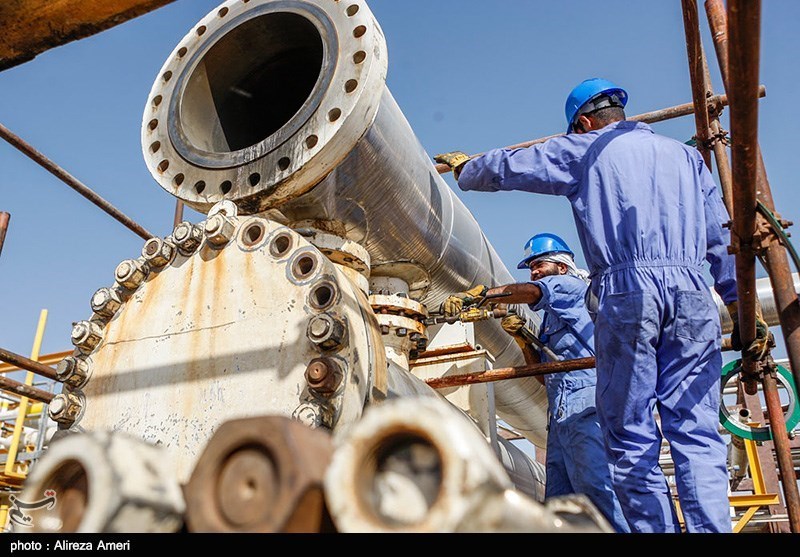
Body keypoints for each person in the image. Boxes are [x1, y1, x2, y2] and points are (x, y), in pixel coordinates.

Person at [435, 78, 771, 533]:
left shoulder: (587, 149)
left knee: (631, 436)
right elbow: (722, 239)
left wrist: (469, 168)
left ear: (585, 123)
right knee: (696, 433)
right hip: (694, 297)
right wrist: (739, 303)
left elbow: (516, 166)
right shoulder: (688, 158)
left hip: (629, 290)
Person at [442, 232, 630, 533]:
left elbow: (532, 292)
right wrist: (523, 340)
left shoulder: (572, 287)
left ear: (562, 267)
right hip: (559, 419)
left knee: (598, 491)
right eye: (531, 267)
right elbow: (542, 377)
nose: (534, 271)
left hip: (586, 406)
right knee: (559, 505)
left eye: (539, 264)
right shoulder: (552, 320)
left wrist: (484, 295)